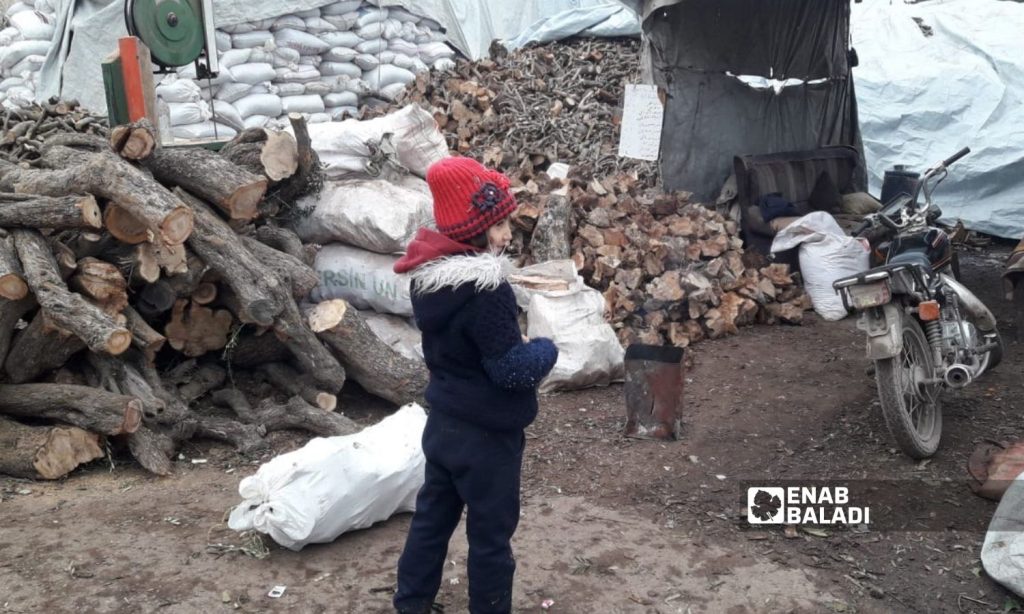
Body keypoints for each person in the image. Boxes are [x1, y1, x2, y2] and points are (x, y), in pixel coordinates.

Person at [392, 157, 559, 614]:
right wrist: (545, 347)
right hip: (488, 438)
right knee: (490, 537)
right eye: (501, 223)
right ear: (475, 227)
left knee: (431, 520)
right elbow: (512, 371)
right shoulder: (487, 292)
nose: (508, 234)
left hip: (443, 424)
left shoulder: (429, 284)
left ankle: (411, 604)